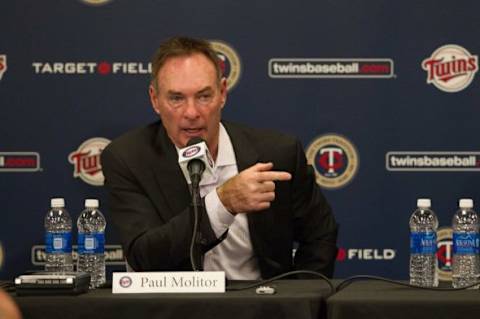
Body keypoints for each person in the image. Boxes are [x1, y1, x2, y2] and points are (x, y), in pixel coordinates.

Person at [101, 36, 338, 280]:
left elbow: (320, 234)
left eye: (204, 96)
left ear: (222, 93)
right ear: (155, 100)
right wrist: (223, 202)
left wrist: (298, 300)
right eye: (176, 98)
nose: (191, 113)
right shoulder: (128, 158)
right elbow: (144, 256)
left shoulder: (277, 154)